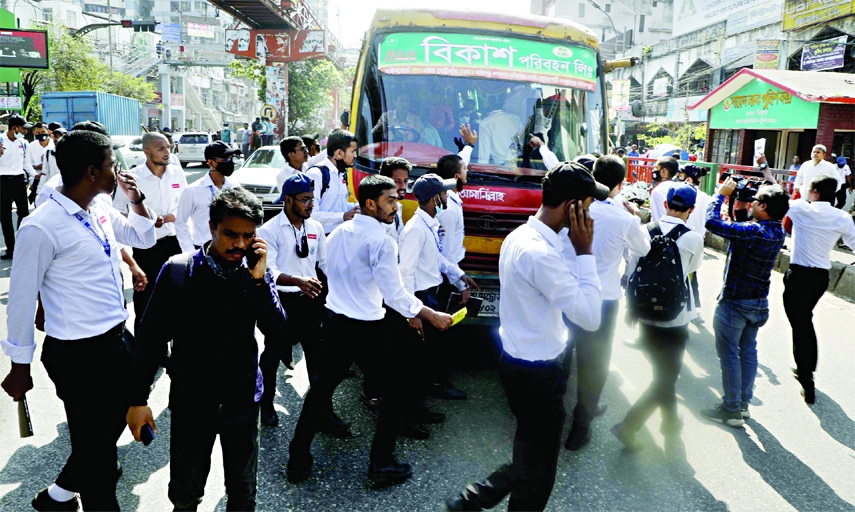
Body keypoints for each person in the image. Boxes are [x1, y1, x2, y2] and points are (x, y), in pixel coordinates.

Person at [2, 129, 156, 511]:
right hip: (77, 355)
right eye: (110, 164)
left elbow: (144, 237)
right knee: (100, 461)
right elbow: (20, 302)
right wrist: (19, 366)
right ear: (91, 172)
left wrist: (136, 200)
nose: (116, 169)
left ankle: (58, 495)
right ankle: (75, 497)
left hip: (118, 339)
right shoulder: (40, 225)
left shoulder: (99, 207)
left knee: (106, 436)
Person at [446, 162, 607, 512]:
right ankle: (475, 497)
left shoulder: (521, 236)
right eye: (588, 207)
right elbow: (591, 317)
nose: (591, 216)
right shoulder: (542, 254)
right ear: (572, 207)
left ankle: (475, 498)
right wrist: (585, 252)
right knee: (539, 474)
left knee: (532, 449)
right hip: (538, 372)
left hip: (517, 362)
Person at [127, 187, 288, 511]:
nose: (240, 244)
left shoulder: (255, 272)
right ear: (212, 227)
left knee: (243, 494)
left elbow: (280, 332)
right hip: (192, 403)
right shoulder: (179, 271)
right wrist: (137, 400)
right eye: (231, 234)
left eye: (248, 235)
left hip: (242, 402)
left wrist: (259, 283)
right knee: (186, 493)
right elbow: (150, 340)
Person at [287, 175, 454, 486]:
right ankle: (381, 464)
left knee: (320, 391)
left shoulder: (337, 233)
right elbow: (395, 294)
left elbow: (327, 273)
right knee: (393, 394)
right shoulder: (381, 241)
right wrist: (430, 314)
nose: (396, 205)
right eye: (390, 200)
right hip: (367, 329)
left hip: (335, 324)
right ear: (369, 203)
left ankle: (297, 459)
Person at [560, 155, 651, 451]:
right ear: (621, 183)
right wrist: (635, 216)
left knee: (560, 351)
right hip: (603, 298)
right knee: (593, 363)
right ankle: (580, 426)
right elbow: (643, 247)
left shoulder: (572, 208)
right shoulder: (623, 218)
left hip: (567, 291)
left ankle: (553, 412)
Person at [612, 183, 705, 450]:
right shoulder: (693, 237)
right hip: (675, 318)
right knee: (666, 377)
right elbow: (693, 269)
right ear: (691, 209)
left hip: (643, 313)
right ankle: (629, 426)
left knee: (662, 372)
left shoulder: (642, 231)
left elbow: (630, 268)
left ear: (665, 205)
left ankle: (671, 420)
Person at [700, 177, 788, 425]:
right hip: (758, 303)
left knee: (728, 356)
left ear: (762, 206)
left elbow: (712, 223)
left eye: (756, 199)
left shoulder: (752, 232)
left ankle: (730, 409)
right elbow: (740, 224)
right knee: (748, 353)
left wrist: (720, 194)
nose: (752, 202)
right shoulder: (775, 231)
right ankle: (743, 404)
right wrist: (738, 200)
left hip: (735, 303)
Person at [256, 174, 333, 428]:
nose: (311, 205)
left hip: (309, 300)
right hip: (280, 302)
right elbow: (270, 272)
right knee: (272, 354)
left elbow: (324, 264)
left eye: (312, 199)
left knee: (317, 356)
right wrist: (298, 281)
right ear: (287, 200)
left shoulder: (316, 228)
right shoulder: (269, 230)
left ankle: (322, 409)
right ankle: (265, 404)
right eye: (304, 200)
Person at [399, 174, 479, 403]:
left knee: (433, 351)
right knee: (421, 356)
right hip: (421, 298)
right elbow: (405, 272)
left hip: (430, 294)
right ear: (436, 198)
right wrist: (412, 312)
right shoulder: (416, 229)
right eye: (444, 193)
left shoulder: (429, 224)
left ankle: (426, 397)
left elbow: (439, 259)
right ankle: (413, 409)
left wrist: (460, 274)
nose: (448, 196)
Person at [782, 175, 855, 404]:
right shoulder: (842, 217)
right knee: (805, 320)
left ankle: (807, 378)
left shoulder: (800, 208)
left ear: (813, 191)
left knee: (801, 325)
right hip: (820, 278)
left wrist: (764, 167)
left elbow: (777, 193)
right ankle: (805, 368)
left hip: (798, 274)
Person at [114, 132, 187, 330]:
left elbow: (186, 205)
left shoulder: (176, 173)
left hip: (175, 243)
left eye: (169, 148)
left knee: (175, 299)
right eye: (161, 148)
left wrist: (166, 219)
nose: (167, 153)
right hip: (147, 249)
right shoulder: (133, 178)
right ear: (147, 151)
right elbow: (118, 212)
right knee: (146, 300)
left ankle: (171, 348)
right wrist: (140, 225)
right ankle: (146, 352)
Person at [176, 141, 241, 252]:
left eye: (231, 158)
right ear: (211, 162)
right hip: (203, 250)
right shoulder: (192, 191)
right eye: (225, 160)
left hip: (231, 249)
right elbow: (181, 224)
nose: (230, 163)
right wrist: (191, 253)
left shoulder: (235, 187)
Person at [304, 129, 360, 234]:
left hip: (339, 236)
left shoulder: (342, 173)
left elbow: (340, 206)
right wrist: (343, 216)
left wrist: (358, 208)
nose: (355, 156)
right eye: (352, 151)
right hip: (319, 238)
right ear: (339, 153)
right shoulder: (316, 174)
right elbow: (311, 213)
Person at [0, 114, 33, 259]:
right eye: (23, 128)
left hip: (19, 181)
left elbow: (26, 163)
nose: (25, 131)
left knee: (24, 214)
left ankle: (21, 245)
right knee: (5, 216)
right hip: (2, 181)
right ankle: (10, 248)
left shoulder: (23, 143)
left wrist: (34, 176)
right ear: (15, 128)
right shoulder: (0, 140)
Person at [477, 97, 523, 165]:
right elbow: (522, 141)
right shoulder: (516, 118)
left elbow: (484, 154)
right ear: (504, 104)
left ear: (488, 105)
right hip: (519, 162)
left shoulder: (485, 123)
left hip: (501, 166)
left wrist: (481, 171)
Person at [379, 156, 412, 243]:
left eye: (405, 181)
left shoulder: (398, 207)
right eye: (397, 181)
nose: (403, 187)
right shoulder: (375, 211)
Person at [25, 122, 55, 203]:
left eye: (43, 132)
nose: (40, 134)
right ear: (34, 133)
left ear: (48, 132)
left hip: (52, 179)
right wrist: (35, 174)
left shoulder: (54, 145)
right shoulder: (31, 146)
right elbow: (26, 163)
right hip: (37, 180)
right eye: (38, 132)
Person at [648, 156, 680, 222]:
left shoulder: (657, 191)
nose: (654, 170)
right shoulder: (679, 188)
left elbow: (657, 218)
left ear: (663, 172)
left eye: (656, 168)